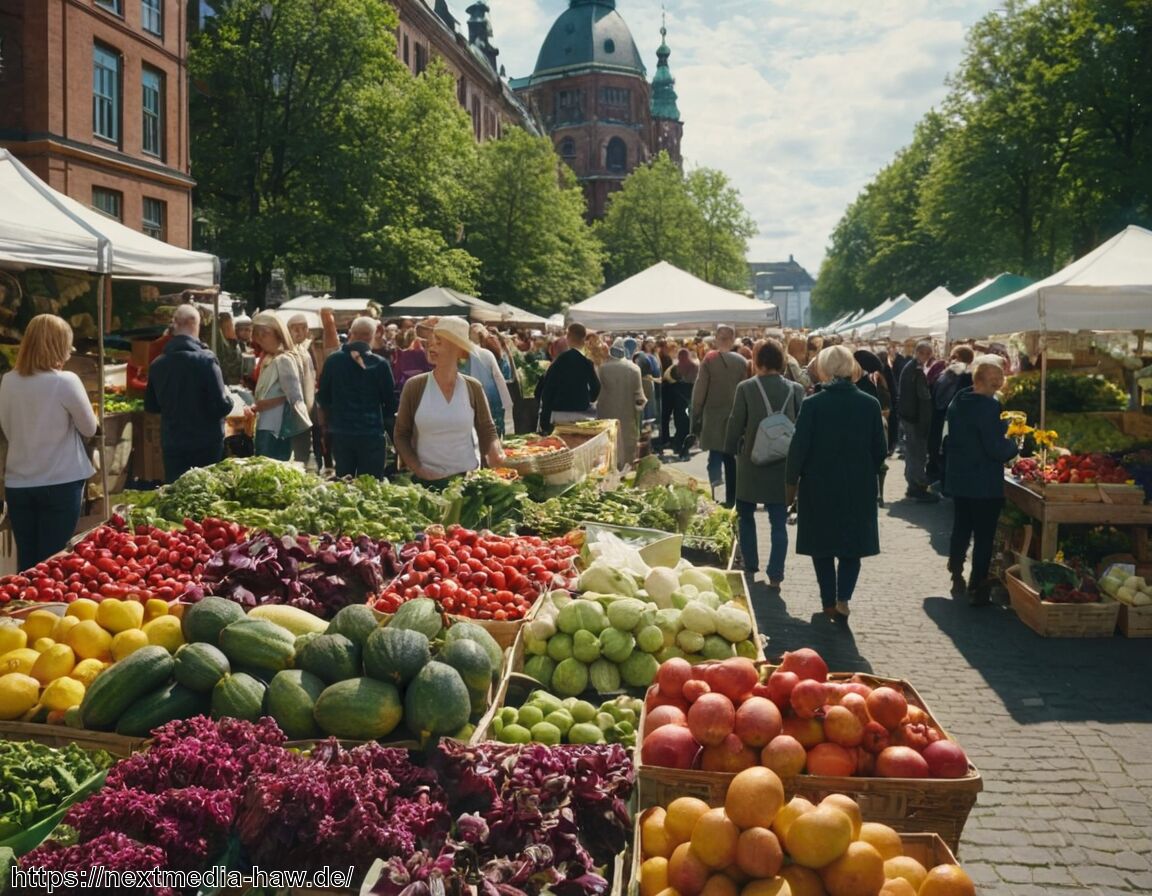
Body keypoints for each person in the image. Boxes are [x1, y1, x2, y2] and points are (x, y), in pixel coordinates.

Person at [785, 345, 887, 619]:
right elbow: (880, 449)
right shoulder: (870, 403)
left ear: (824, 369)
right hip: (859, 484)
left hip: (819, 484)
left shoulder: (813, 404)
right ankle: (843, 599)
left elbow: (798, 448)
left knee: (822, 545)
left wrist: (790, 482)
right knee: (852, 547)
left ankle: (828, 601)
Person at [0, 315, 99, 570]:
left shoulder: (8, 381)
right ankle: (48, 609)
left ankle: (20, 608)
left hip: (19, 482)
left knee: (27, 564)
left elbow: (8, 428)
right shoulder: (65, 381)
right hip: (61, 482)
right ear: (59, 345)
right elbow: (89, 427)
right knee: (53, 564)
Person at [724, 339, 805, 588]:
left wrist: (729, 450)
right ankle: (776, 575)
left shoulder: (746, 388)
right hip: (783, 463)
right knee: (778, 522)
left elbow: (736, 423)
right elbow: (801, 428)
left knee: (746, 515)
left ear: (757, 360)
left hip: (751, 461)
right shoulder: (795, 389)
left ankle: (750, 563)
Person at [943, 356, 1018, 607]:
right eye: (999, 379)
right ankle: (978, 585)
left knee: (961, 526)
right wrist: (1014, 444)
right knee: (984, 534)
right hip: (983, 480)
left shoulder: (959, 400)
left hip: (960, 477)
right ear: (994, 382)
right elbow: (995, 448)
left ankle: (955, 569)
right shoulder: (988, 407)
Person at [393, 317, 503, 482]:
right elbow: (401, 434)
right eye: (430, 342)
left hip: (466, 480)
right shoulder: (415, 386)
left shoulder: (473, 387)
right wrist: (418, 469)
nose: (431, 346)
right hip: (425, 483)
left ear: (459, 351)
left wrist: (495, 451)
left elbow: (487, 429)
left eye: (439, 342)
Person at [144, 305, 235, 483]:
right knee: (203, 495)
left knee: (177, 493)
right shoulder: (207, 360)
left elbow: (151, 406)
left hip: (173, 441)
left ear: (175, 325)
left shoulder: (157, 364)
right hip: (205, 443)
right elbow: (220, 406)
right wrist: (230, 400)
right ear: (196, 325)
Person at [316, 316, 396, 479]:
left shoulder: (333, 361)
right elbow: (390, 403)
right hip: (371, 433)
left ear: (350, 333)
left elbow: (323, 397)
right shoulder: (381, 364)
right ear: (373, 336)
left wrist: (326, 427)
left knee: (344, 484)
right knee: (371, 486)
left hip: (341, 432)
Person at [691, 325, 747, 506]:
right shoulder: (741, 362)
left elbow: (700, 391)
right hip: (734, 415)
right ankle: (732, 498)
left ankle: (715, 496)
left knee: (714, 457)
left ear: (716, 338)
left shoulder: (709, 359)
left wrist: (695, 415)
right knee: (731, 459)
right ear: (732, 340)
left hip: (713, 416)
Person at [244, 312, 311, 461]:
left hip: (278, 429)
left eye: (265, 333)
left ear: (277, 333)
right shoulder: (268, 358)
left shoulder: (285, 359)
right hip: (265, 424)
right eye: (257, 333)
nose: (260, 338)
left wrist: (258, 406)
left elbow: (293, 397)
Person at [537, 322, 600, 432]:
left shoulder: (559, 361)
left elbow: (548, 389)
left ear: (568, 336)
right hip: (582, 414)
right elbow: (596, 387)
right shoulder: (587, 363)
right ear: (584, 338)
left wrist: (544, 416)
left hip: (559, 413)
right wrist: (586, 398)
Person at [927, 345, 975, 487]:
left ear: (958, 356)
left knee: (940, 449)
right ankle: (945, 482)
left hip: (939, 416)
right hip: (951, 418)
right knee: (948, 451)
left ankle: (939, 478)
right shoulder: (966, 374)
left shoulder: (947, 372)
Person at [598, 339, 647, 469]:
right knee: (627, 446)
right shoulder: (634, 369)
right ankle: (625, 472)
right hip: (628, 415)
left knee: (609, 446)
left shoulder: (602, 368)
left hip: (605, 414)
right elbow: (640, 397)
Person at [898, 341, 937, 502]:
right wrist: (925, 421)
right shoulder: (915, 370)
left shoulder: (911, 368)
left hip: (910, 417)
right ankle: (917, 487)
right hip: (915, 419)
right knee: (917, 453)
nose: (928, 357)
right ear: (919, 353)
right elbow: (923, 398)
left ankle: (913, 486)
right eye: (926, 354)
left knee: (913, 452)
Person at [467, 324, 514, 438]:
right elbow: (499, 377)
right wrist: (507, 403)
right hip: (493, 399)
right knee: (494, 433)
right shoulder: (488, 351)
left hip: (472, 399)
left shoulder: (463, 354)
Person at [285, 313, 318, 466]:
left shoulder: (306, 351)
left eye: (303, 328)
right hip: (291, 411)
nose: (299, 332)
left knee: (302, 453)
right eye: (295, 328)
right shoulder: (285, 352)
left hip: (307, 408)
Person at [663, 348, 697, 459]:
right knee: (688, 423)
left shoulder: (676, 368)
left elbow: (670, 381)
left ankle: (679, 446)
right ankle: (686, 446)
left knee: (680, 422)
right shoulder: (695, 367)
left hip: (679, 400)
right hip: (689, 399)